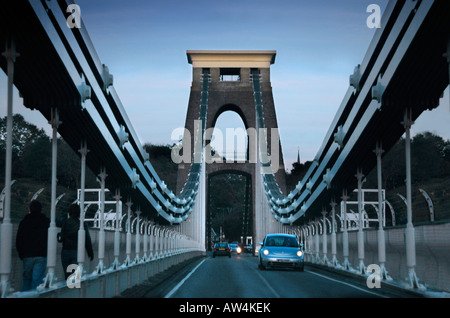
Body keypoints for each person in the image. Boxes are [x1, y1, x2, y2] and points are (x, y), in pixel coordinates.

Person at [16, 200, 50, 291]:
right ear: (41, 209)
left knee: (26, 279)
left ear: (30, 209)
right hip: (41, 254)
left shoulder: (24, 222)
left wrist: (21, 254)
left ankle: (25, 295)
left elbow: (19, 239)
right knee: (37, 280)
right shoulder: (46, 222)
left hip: (27, 255)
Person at [59, 203, 94, 279]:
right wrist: (90, 252)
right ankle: (73, 289)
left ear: (69, 212)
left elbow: (61, 238)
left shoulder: (65, 222)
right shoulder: (82, 224)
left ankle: (67, 289)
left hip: (65, 251)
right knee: (74, 276)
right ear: (79, 213)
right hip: (76, 251)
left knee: (67, 276)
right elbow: (87, 239)